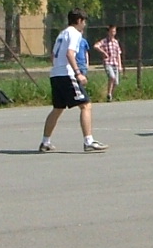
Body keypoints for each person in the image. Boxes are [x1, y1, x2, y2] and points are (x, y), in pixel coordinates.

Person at [39, 8, 108, 152]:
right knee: (86, 105)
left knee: (58, 108)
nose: (85, 24)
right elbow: (70, 53)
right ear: (79, 21)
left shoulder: (62, 34)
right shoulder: (75, 33)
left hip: (56, 75)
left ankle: (45, 142)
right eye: (84, 21)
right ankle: (88, 141)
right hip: (67, 74)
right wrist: (78, 73)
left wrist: (58, 68)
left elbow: (53, 55)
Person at [94, 24, 123, 103]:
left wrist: (120, 66)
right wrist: (103, 52)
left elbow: (118, 54)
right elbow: (96, 46)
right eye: (111, 31)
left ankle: (110, 96)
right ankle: (109, 94)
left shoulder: (116, 42)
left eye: (114, 31)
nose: (113, 33)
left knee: (116, 82)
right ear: (108, 32)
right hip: (108, 63)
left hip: (115, 63)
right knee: (112, 77)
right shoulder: (104, 41)